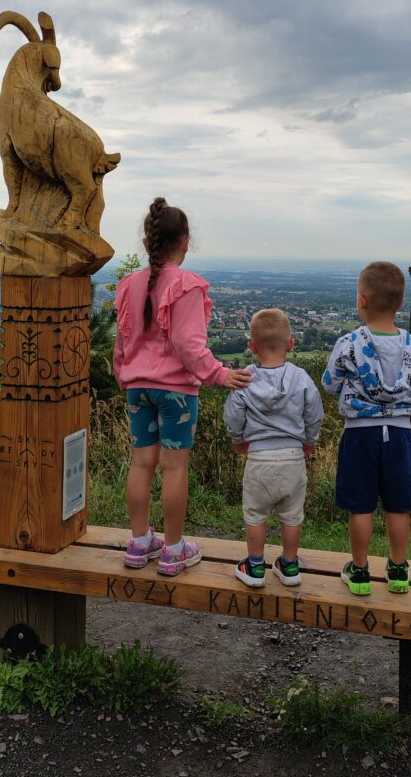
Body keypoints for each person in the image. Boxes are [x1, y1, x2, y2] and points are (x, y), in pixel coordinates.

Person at [113, 197, 251, 576]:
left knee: (141, 463)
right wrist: (220, 375)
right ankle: (173, 549)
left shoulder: (129, 285)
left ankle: (139, 542)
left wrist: (124, 374)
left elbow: (122, 342)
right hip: (176, 393)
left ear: (147, 243)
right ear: (186, 242)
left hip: (137, 388)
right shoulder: (186, 285)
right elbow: (189, 345)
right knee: (174, 469)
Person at [322, 261, 411, 596]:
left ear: (362, 301)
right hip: (399, 434)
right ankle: (398, 569)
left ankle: (361, 570)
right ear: (399, 303)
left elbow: (329, 384)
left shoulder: (349, 343)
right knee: (399, 506)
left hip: (360, 434)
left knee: (361, 505)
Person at [224, 308, 323, 588]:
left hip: (258, 458)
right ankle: (290, 566)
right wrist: (308, 441)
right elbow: (315, 413)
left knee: (255, 514)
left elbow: (233, 416)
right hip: (293, 457)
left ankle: (255, 567)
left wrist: (238, 439)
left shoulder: (243, 379)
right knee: (292, 515)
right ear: (291, 343)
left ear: (251, 347)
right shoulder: (301, 378)